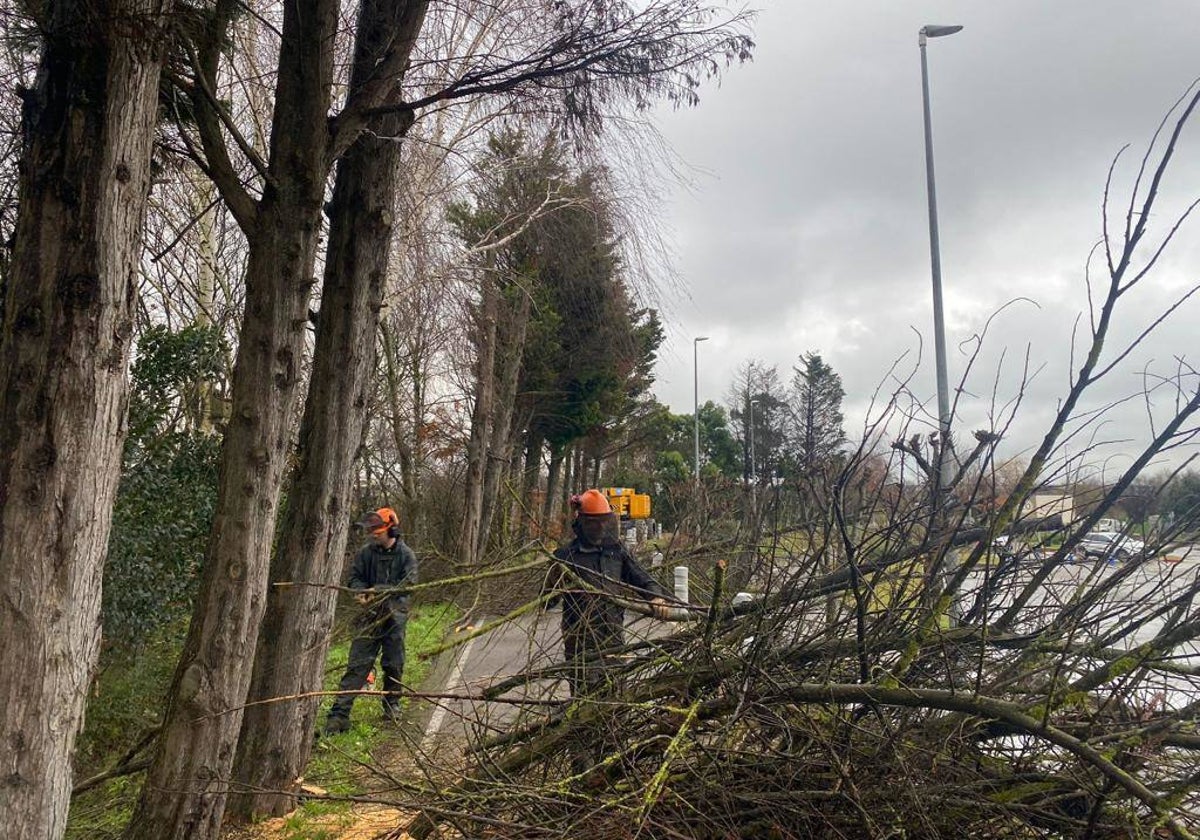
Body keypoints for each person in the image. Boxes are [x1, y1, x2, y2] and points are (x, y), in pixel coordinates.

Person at [550, 489, 672, 699]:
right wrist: (553, 579)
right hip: (581, 645)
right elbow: (547, 601)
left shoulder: (616, 552)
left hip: (614, 639)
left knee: (616, 698)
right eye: (594, 523)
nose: (599, 528)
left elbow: (641, 577)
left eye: (603, 522)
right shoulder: (566, 557)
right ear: (582, 523)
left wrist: (655, 596)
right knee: (585, 701)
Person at [324, 507, 418, 734]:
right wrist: (359, 591)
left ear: (391, 529)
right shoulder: (366, 553)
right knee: (358, 664)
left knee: (394, 663)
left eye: (379, 530)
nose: (374, 534)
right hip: (368, 617)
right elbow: (355, 577)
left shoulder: (406, 555)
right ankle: (339, 714)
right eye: (373, 530)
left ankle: (392, 703)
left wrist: (380, 590)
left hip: (395, 616)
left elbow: (409, 584)